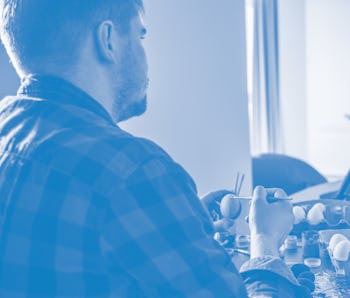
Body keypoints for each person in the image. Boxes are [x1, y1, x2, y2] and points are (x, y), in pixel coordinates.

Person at [0, 1, 309, 297]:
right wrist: (265, 244)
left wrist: (179, 221)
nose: (145, 53)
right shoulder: (133, 171)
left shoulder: (7, 130)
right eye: (140, 35)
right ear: (108, 40)